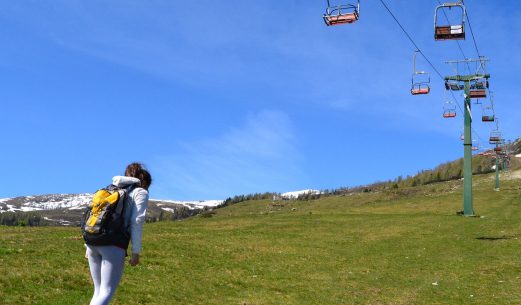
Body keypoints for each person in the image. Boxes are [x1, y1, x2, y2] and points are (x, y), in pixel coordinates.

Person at [86, 162, 152, 305]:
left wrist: (87, 247)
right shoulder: (140, 192)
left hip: (92, 241)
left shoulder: (111, 189)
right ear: (144, 181)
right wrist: (136, 252)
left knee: (98, 291)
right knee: (107, 291)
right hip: (114, 243)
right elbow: (137, 221)